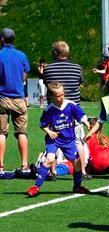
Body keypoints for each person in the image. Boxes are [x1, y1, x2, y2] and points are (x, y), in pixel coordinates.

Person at [26, 82, 91, 197]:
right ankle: (36, 187)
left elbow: (81, 116)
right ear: (51, 97)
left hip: (69, 140)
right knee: (49, 159)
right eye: (58, 95)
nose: (61, 97)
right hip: (54, 140)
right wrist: (49, 132)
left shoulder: (70, 105)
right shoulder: (49, 110)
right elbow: (42, 125)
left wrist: (87, 124)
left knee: (77, 163)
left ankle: (77, 187)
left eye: (63, 94)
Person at [42, 40, 90, 179]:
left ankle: (52, 170)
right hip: (73, 110)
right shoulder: (76, 68)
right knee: (77, 141)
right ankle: (82, 170)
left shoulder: (48, 68)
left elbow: (48, 84)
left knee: (53, 139)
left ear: (55, 53)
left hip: (54, 111)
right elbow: (80, 82)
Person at [0, 28, 31, 175]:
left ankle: (0, 166)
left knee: (1, 133)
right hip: (18, 98)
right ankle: (25, 165)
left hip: (2, 98)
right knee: (21, 132)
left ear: (2, 39)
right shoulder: (21, 56)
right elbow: (24, 76)